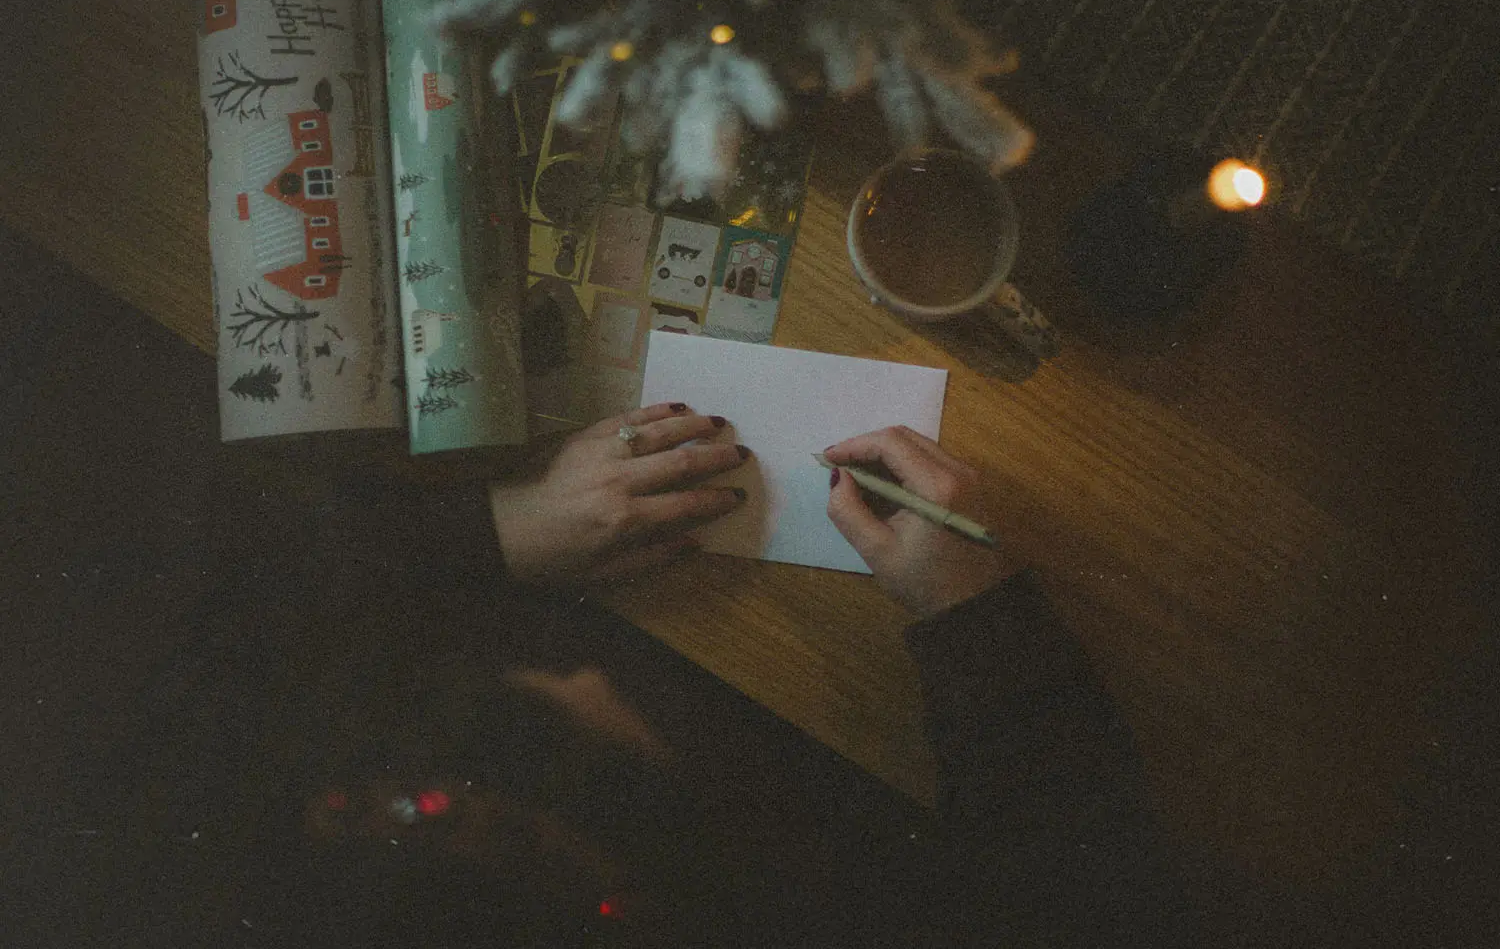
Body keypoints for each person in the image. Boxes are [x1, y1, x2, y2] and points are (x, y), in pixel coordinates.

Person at [126, 404, 1194, 947]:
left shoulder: (213, 820)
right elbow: (1090, 904)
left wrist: (505, 529)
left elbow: (219, 608)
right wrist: (977, 615)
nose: (590, 681)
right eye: (590, 765)